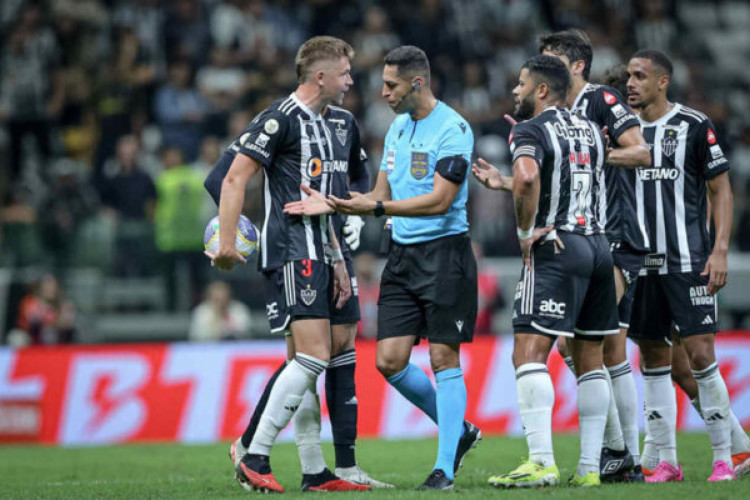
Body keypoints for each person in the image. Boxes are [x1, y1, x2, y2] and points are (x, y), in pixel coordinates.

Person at [288, 45, 482, 491]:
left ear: (417, 83)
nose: (383, 92)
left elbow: (440, 201)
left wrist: (376, 207)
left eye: (391, 85)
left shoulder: (453, 129)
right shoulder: (396, 128)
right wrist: (349, 205)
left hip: (445, 255)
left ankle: (445, 469)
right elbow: (381, 188)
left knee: (441, 356)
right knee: (389, 361)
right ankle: (462, 431)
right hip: (402, 255)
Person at [204, 36, 376, 493]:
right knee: (313, 354)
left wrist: (341, 252)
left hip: (327, 251)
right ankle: (252, 452)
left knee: (316, 357)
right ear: (321, 76)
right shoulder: (280, 118)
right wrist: (226, 241)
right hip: (292, 250)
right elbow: (231, 178)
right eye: (344, 73)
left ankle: (315, 470)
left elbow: (331, 194)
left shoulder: (336, 122)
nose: (351, 81)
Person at [475, 54, 617, 488]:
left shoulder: (529, 129)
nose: (515, 91)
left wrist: (524, 230)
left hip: (556, 246)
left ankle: (540, 461)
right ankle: (591, 469)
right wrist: (507, 183)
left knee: (528, 352)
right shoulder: (591, 128)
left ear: (541, 90)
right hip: (598, 249)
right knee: (591, 358)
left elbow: (530, 176)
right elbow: (566, 177)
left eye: (521, 84)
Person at [604, 62, 750, 480]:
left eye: (639, 77)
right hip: (641, 264)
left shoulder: (692, 124)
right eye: (628, 78)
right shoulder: (624, 132)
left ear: (662, 81)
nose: (630, 85)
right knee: (653, 359)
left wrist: (719, 250)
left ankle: (726, 457)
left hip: (689, 261)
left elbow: (720, 188)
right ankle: (666, 458)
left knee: (702, 356)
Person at [538, 29, 651, 482]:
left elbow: (640, 151)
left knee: (597, 345)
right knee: (589, 346)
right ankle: (622, 453)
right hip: (584, 239)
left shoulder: (601, 100)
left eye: (551, 60)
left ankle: (623, 452)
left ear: (577, 65)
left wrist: (597, 149)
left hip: (616, 236)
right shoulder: (556, 112)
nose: (543, 69)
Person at [188, 281, 252, 341]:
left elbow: (244, 332)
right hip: (208, 349)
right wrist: (217, 316)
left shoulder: (239, 309)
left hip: (236, 347)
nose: (220, 299)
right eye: (217, 297)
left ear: (229, 295)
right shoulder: (201, 312)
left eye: (223, 295)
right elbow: (199, 336)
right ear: (209, 296)